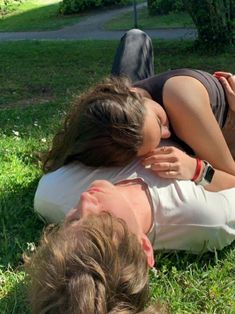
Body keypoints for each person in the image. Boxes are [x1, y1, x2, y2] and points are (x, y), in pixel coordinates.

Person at [30, 30, 235, 313]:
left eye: (73, 219)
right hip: (192, 117)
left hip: (127, 115)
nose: (85, 200)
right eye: (101, 219)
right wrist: (197, 169)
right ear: (144, 247)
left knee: (129, 62)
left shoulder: (54, 194)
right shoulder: (209, 221)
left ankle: (136, 47)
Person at [42, 29, 235, 180]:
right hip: (149, 97)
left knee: (135, 39)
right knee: (134, 41)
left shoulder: (184, 102)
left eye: (160, 122)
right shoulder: (126, 113)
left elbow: (231, 176)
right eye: (159, 138)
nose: (166, 135)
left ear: (134, 92)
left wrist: (196, 169)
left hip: (206, 108)